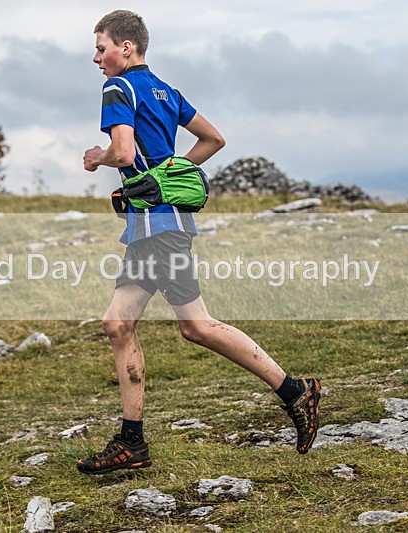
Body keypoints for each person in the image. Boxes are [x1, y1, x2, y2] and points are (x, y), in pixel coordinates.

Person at [78, 9, 321, 475]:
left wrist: (98, 157)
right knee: (121, 324)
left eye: (101, 47)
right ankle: (133, 442)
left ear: (126, 47)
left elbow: (124, 152)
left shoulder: (117, 88)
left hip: (157, 229)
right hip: (159, 226)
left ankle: (295, 391)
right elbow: (213, 139)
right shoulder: (165, 91)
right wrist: (171, 175)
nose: (97, 58)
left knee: (194, 326)